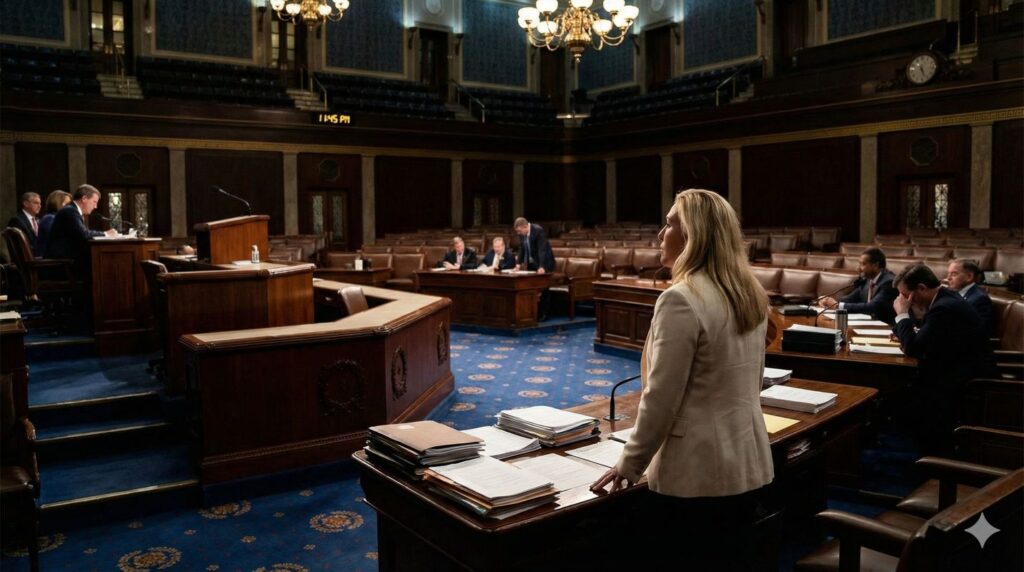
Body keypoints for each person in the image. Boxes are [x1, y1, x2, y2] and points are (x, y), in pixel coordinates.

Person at [591, 189, 774, 570]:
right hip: (746, 461)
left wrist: (629, 464)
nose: (661, 233)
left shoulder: (681, 299)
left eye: (671, 222)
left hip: (696, 472)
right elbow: (753, 384)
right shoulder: (749, 293)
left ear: (693, 234)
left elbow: (661, 399)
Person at [892, 263, 996, 454]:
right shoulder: (944, 299)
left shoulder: (944, 307)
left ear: (922, 288)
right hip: (954, 365)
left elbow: (913, 348)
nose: (904, 300)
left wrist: (902, 314)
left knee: (902, 385)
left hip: (965, 377)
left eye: (906, 295)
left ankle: (930, 453)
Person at [45, 184, 117, 279]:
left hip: (68, 260)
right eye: (94, 202)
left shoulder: (72, 210)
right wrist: (106, 234)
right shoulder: (70, 211)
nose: (95, 206)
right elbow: (84, 234)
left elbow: (83, 233)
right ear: (84, 199)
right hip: (62, 264)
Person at [818, 247, 897, 324]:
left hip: (886, 327)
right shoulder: (868, 279)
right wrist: (829, 301)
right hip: (868, 324)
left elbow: (872, 307)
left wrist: (837, 305)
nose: (858, 268)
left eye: (863, 264)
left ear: (875, 265)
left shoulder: (889, 282)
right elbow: (851, 298)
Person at [513, 217, 555, 321]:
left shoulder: (538, 230)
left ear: (525, 226)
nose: (519, 233)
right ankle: (533, 313)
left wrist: (541, 266)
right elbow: (522, 248)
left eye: (519, 231)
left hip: (545, 262)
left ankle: (545, 314)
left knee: (544, 288)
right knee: (531, 287)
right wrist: (518, 264)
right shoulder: (522, 234)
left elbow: (542, 250)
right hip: (532, 263)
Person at [947, 258, 996, 337]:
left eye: (954, 274)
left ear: (969, 276)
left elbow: (981, 333)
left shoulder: (980, 299)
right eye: (948, 274)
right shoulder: (952, 294)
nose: (948, 278)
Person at [35, 190, 72, 258]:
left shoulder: (56, 218)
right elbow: (63, 237)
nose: (70, 207)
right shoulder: (49, 219)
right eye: (67, 204)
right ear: (57, 203)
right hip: (49, 260)